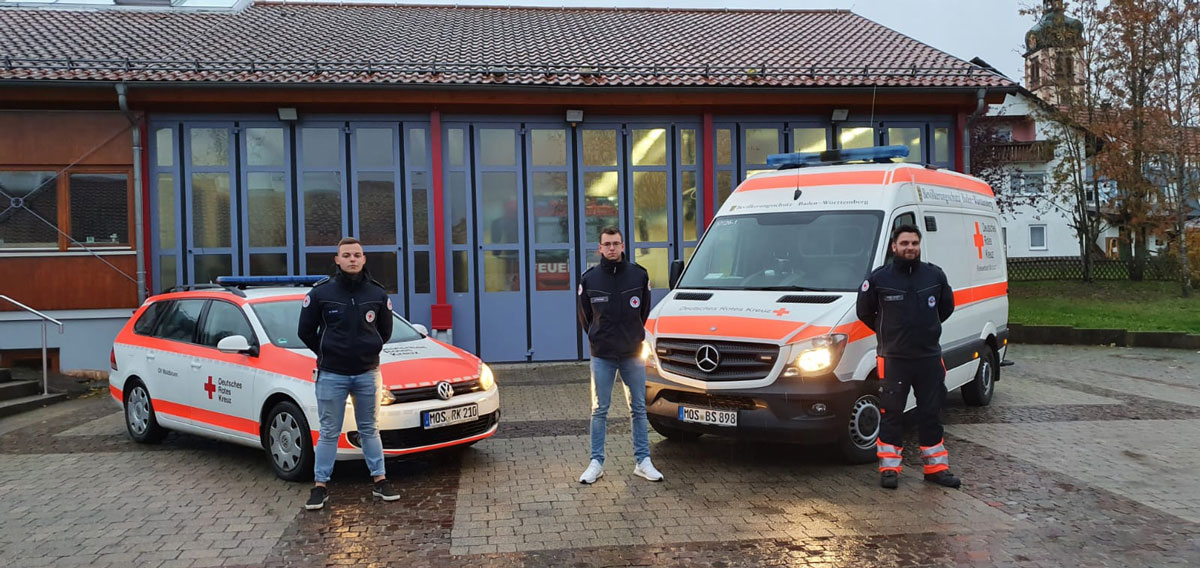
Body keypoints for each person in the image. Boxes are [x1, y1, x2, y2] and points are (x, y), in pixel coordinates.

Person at [856, 224, 961, 490]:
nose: (910, 248)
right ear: (894, 247)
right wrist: (888, 333)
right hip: (894, 359)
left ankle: (936, 469)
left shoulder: (935, 276)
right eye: (904, 243)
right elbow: (864, 312)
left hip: (928, 358)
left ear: (919, 245)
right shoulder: (879, 279)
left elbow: (946, 308)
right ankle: (889, 470)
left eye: (914, 243)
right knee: (891, 413)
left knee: (931, 413)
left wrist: (926, 330)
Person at [298, 237, 398, 510]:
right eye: (347, 255)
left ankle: (380, 481)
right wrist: (327, 352)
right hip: (332, 374)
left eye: (357, 254)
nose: (352, 259)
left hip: (367, 373)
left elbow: (385, 332)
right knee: (329, 431)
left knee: (369, 429)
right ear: (337, 260)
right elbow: (304, 331)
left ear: (364, 259)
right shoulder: (321, 293)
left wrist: (369, 348)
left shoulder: (377, 294)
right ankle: (320, 486)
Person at [576, 227, 663, 484]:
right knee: (599, 409)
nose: (612, 248)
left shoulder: (638, 275)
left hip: (632, 353)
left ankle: (643, 461)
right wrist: (598, 337)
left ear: (623, 246)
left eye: (616, 243)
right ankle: (596, 463)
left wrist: (632, 335)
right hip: (602, 355)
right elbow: (585, 317)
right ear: (599, 249)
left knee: (638, 408)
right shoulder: (589, 280)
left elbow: (643, 312)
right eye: (607, 244)